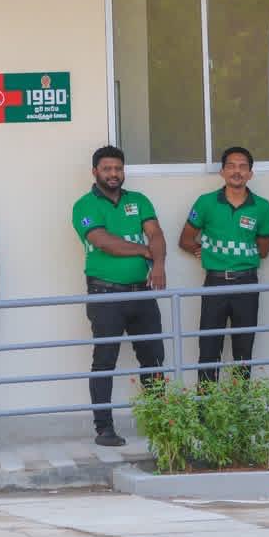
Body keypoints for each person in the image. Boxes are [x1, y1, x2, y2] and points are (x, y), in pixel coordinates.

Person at [71, 145, 167, 447]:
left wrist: (159, 264)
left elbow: (156, 233)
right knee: (104, 362)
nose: (114, 174)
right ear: (95, 172)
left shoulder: (138, 201)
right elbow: (103, 241)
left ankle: (160, 423)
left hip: (143, 293)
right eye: (107, 169)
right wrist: (143, 251)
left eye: (118, 169)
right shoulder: (85, 205)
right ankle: (104, 429)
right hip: (105, 294)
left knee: (153, 359)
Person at [178, 146, 269, 385]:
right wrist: (206, 252)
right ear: (222, 171)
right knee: (209, 349)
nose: (237, 171)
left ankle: (240, 415)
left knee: (244, 350)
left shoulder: (262, 206)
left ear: (251, 173)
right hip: (215, 282)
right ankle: (205, 412)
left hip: (247, 284)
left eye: (243, 167)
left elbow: (264, 250)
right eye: (231, 166)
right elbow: (185, 240)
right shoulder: (206, 202)